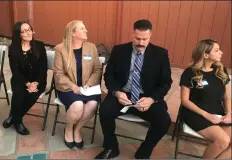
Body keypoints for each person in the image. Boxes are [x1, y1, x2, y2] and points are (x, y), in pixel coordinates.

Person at [95, 19, 172, 159]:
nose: (141, 43)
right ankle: (111, 147)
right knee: (105, 111)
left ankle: (145, 150)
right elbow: (109, 75)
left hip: (147, 96)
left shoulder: (161, 54)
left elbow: (166, 82)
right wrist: (117, 92)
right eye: (137, 38)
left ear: (150, 36)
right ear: (132, 34)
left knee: (164, 121)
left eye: (145, 39)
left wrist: (152, 99)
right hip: (123, 93)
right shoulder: (119, 50)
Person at [53, 20, 101, 149]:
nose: (86, 30)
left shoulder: (91, 47)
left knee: (93, 104)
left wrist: (89, 84)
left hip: (87, 88)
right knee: (78, 105)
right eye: (82, 28)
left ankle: (77, 129)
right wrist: (73, 87)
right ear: (73, 33)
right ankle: (68, 129)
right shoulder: (60, 49)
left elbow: (97, 70)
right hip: (67, 88)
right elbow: (58, 73)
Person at [180, 39, 231, 159]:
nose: (221, 53)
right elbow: (185, 101)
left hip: (218, 114)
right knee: (223, 140)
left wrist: (229, 113)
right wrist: (206, 115)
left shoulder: (221, 71)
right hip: (196, 114)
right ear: (206, 54)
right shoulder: (190, 72)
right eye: (217, 50)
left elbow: (227, 97)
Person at [2, 21, 48, 135]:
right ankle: (18, 122)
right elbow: (15, 71)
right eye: (24, 31)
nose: (28, 33)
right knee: (19, 94)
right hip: (20, 79)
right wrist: (27, 83)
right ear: (18, 35)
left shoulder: (40, 46)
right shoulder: (13, 48)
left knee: (32, 95)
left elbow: (43, 68)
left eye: (29, 29)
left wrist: (36, 83)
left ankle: (14, 117)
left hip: (38, 80)